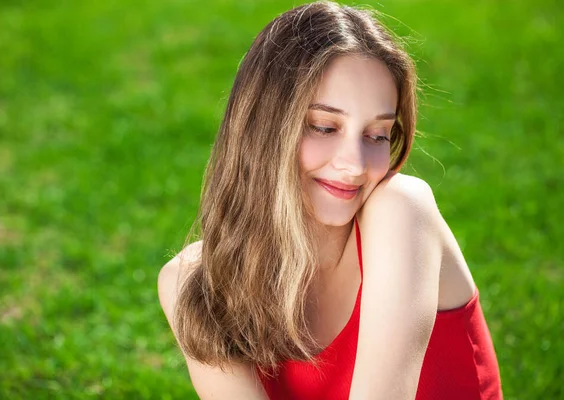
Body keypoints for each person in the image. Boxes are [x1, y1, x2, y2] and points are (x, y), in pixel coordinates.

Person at [158, 1, 503, 399]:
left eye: (377, 135)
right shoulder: (193, 282)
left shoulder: (401, 211)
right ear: (262, 128)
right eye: (324, 126)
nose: (355, 165)